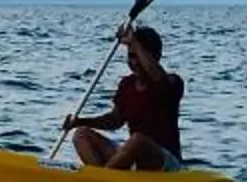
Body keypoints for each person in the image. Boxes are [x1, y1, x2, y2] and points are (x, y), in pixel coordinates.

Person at [67, 22, 183, 170]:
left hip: (165, 160)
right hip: (133, 155)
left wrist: (133, 41)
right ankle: (101, 180)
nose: (134, 62)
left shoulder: (173, 82)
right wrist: (79, 121)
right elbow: (115, 121)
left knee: (137, 141)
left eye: (139, 56)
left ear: (156, 57)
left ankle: (105, 179)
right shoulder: (127, 84)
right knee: (81, 134)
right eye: (131, 56)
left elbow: (157, 76)